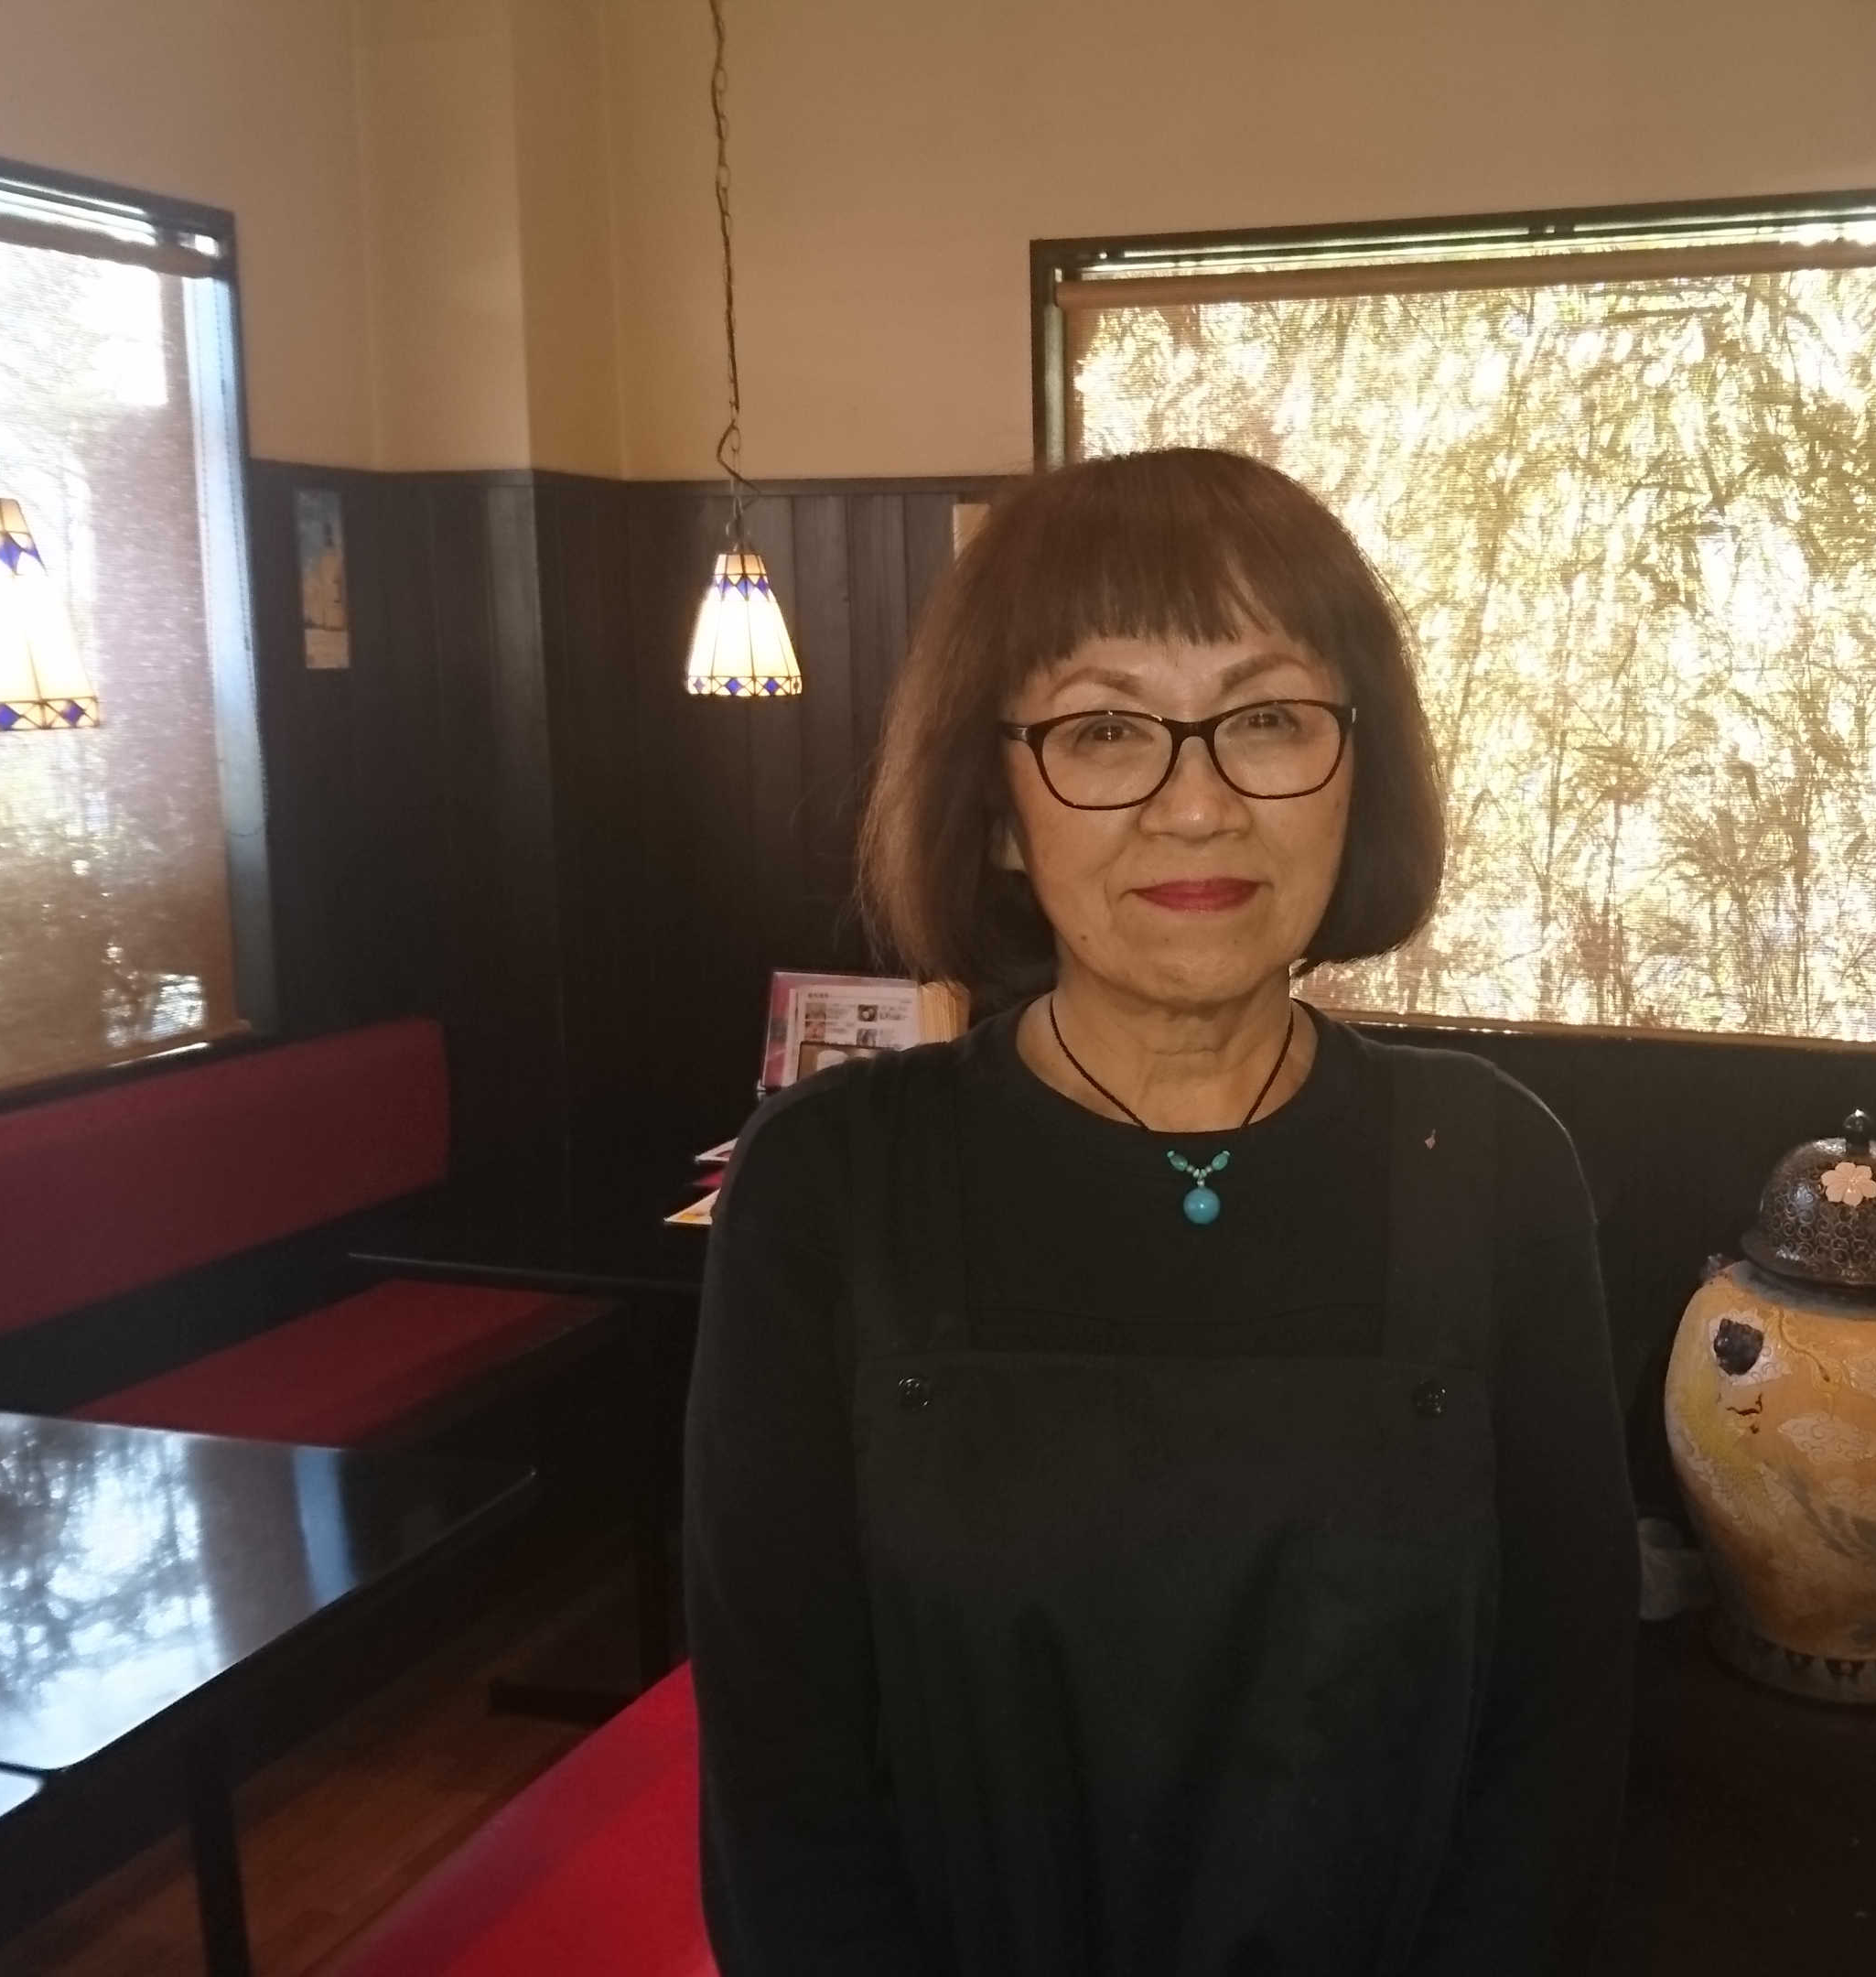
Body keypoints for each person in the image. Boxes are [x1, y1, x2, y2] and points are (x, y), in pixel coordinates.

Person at [685, 447, 1637, 1975]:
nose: (1197, 807)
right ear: (1001, 810)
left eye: (1266, 719)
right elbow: (785, 1797)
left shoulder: (1491, 1163)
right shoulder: (828, 1186)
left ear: (1356, 771)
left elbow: (1559, 1737)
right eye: (1105, 730)